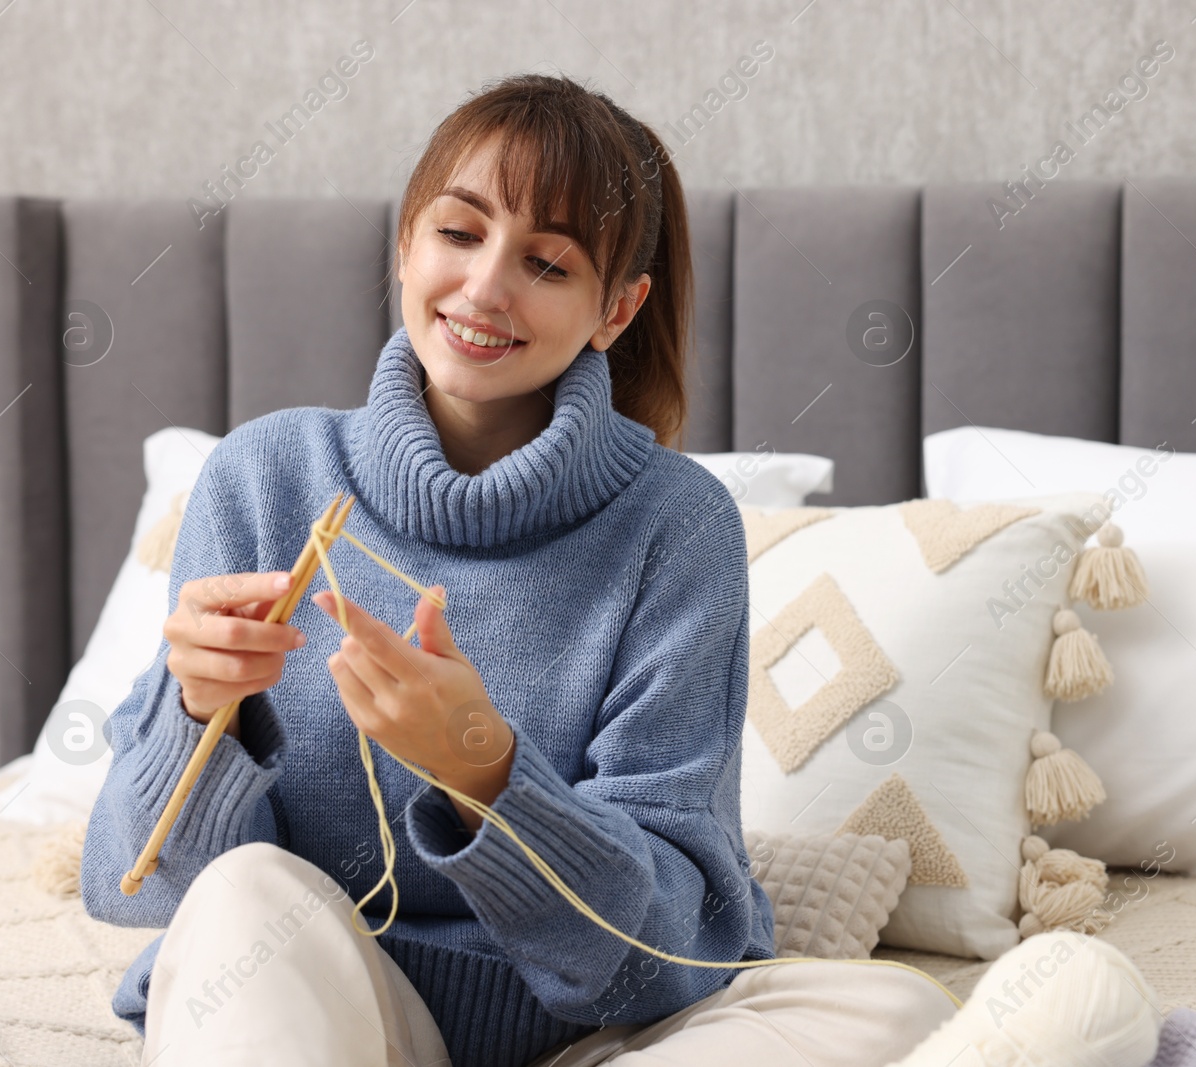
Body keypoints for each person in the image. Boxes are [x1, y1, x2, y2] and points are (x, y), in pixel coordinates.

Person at [79, 72, 954, 1067]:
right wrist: (196, 709)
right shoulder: (261, 478)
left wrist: (486, 771)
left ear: (615, 310)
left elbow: (670, 949)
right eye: (457, 233)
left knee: (899, 1012)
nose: (486, 286)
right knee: (238, 894)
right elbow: (135, 885)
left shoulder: (677, 525)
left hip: (586, 1034)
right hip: (319, 1012)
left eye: (545, 261)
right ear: (403, 246)